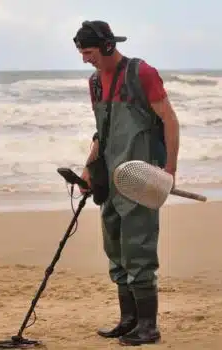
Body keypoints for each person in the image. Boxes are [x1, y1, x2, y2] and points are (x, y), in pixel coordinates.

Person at [72, 20, 180, 346]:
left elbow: (170, 121)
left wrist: (170, 172)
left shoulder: (141, 74)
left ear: (106, 46)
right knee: (116, 250)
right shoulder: (95, 83)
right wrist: (89, 168)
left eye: (88, 52)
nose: (84, 59)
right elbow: (101, 132)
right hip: (111, 179)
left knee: (139, 250)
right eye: (80, 52)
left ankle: (148, 327)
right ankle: (128, 319)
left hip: (141, 178)